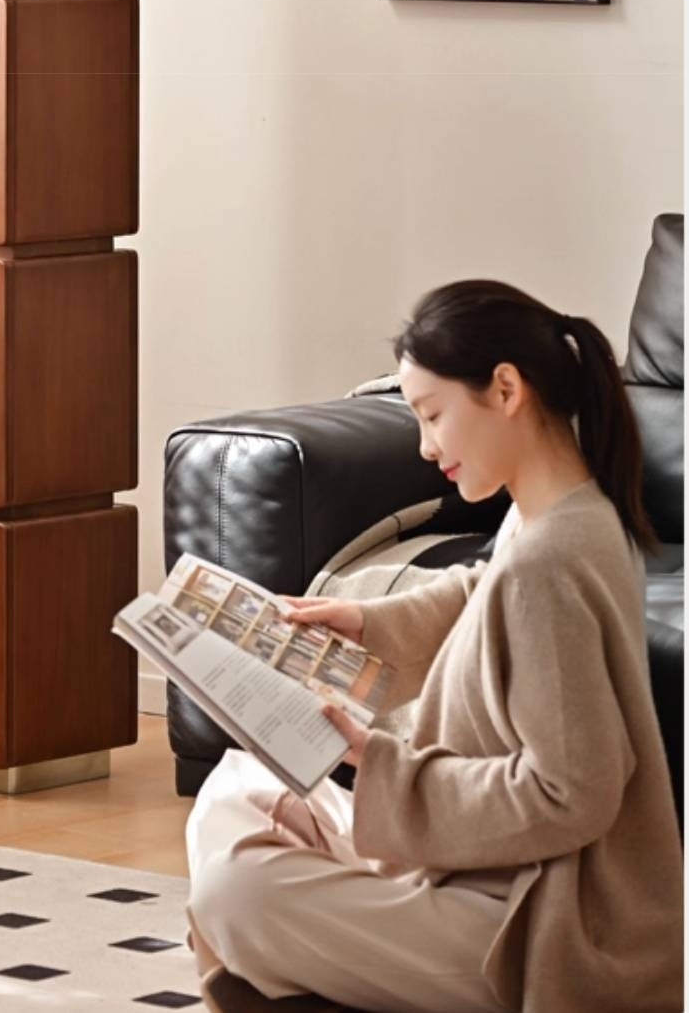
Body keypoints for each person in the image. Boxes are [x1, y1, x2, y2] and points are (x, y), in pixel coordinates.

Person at [185, 280, 683, 1013]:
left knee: (240, 893)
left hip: (535, 925)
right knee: (234, 791)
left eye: (433, 416)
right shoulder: (563, 511)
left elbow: (573, 796)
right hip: (482, 874)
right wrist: (367, 624)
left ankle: (295, 975)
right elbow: (485, 591)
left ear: (505, 389)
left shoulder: (552, 561)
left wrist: (377, 763)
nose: (425, 446)